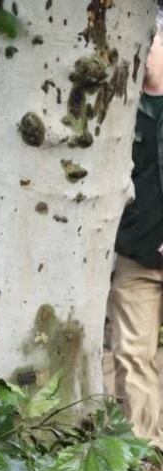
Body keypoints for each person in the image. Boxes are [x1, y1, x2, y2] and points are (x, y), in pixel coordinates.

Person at [107, 13, 163, 448]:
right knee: (131, 354)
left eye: (150, 42)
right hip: (135, 254)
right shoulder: (117, 109)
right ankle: (147, 451)